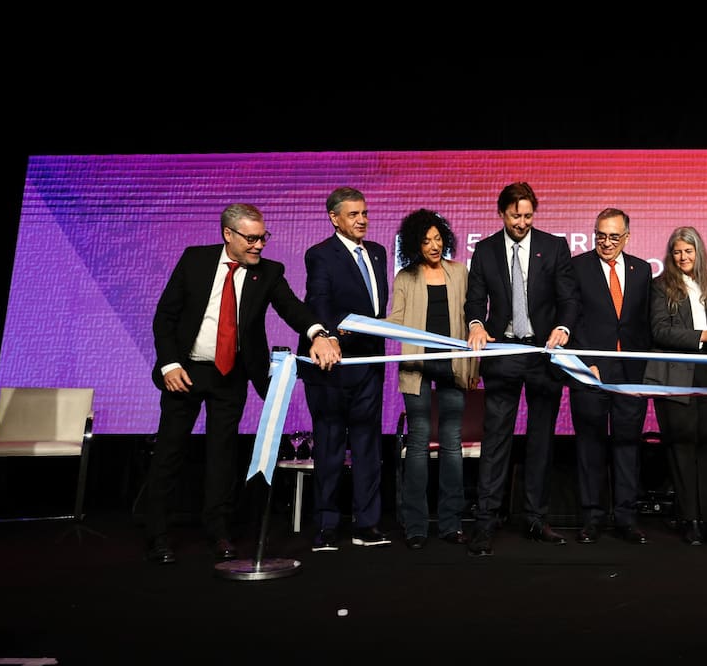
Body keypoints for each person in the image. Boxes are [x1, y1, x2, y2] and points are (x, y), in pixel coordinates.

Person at [146, 203, 340, 564]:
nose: (259, 246)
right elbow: (165, 316)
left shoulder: (268, 273)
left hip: (230, 374)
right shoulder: (195, 261)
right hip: (185, 372)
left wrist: (318, 334)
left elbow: (292, 307)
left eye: (262, 237)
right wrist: (169, 364)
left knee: (223, 456)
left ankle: (219, 532)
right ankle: (158, 533)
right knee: (170, 453)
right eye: (250, 239)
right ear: (228, 235)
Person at [464, 181, 578, 556]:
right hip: (503, 353)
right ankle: (485, 523)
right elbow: (475, 300)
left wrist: (563, 329)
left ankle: (535, 518)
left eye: (529, 215)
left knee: (541, 441)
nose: (523, 222)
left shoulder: (555, 246)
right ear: (501, 213)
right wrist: (476, 324)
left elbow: (568, 298)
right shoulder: (484, 251)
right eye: (516, 215)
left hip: (543, 354)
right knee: (496, 441)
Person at [298, 187, 389, 552]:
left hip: (370, 363)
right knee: (331, 446)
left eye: (364, 213)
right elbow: (318, 299)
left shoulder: (379, 253)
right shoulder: (320, 254)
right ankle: (327, 525)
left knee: (368, 446)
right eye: (353, 214)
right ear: (334, 218)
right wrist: (332, 332)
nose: (362, 220)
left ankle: (366, 524)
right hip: (332, 366)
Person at [386, 208, 479, 550]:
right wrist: (363, 326)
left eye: (438, 238)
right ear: (415, 244)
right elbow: (395, 319)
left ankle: (452, 524)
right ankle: (416, 527)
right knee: (419, 443)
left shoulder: (460, 272)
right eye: (426, 241)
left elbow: (473, 320)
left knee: (452, 446)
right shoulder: (405, 278)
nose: (434, 245)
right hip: (417, 369)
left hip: (453, 368)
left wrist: (474, 369)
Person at [643, 226, 707, 547]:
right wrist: (701, 335)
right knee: (682, 448)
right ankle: (690, 520)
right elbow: (659, 330)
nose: (683, 257)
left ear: (699, 252)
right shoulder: (660, 286)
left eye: (688, 251)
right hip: (676, 377)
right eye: (677, 251)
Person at [568, 208, 652, 545]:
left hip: (630, 373)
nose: (606, 242)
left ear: (627, 237)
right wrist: (586, 361)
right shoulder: (576, 267)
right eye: (600, 235)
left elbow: (645, 324)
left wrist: (645, 370)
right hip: (590, 372)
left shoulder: (642, 270)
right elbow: (568, 318)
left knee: (628, 446)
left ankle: (626, 518)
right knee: (590, 446)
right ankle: (592, 518)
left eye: (614, 236)